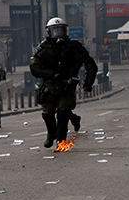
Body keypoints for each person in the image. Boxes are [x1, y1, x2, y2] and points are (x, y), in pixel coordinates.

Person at [30, 18, 98, 148]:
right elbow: (34, 68)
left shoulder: (74, 47)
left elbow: (90, 64)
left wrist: (88, 83)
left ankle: (60, 140)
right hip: (50, 83)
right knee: (47, 111)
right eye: (55, 30)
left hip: (68, 83)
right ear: (49, 32)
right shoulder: (44, 48)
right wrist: (51, 74)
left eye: (61, 29)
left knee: (63, 112)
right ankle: (51, 135)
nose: (58, 33)